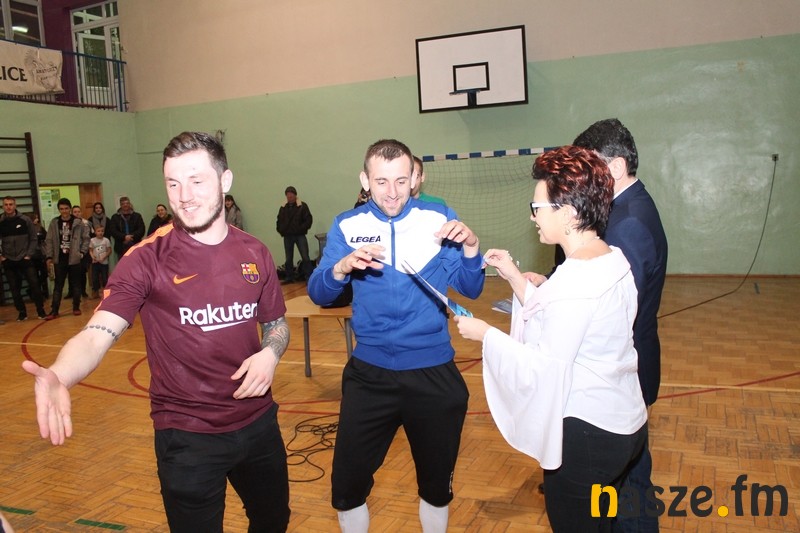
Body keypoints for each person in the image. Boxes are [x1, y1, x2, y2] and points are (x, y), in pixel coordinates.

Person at [22, 131, 291, 532]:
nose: (184, 196)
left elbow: (276, 324)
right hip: (187, 434)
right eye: (173, 183)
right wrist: (60, 374)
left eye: (196, 180)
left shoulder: (255, 252)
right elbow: (97, 334)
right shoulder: (146, 259)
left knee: (274, 522)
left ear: (225, 180)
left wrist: (270, 353)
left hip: (258, 423)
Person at [454, 145, 647, 532]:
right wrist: (515, 278)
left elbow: (544, 367)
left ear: (570, 213)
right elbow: (566, 324)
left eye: (537, 207)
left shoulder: (576, 280)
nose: (532, 216)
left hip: (589, 435)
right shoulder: (611, 258)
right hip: (625, 425)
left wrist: (486, 335)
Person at [308, 139, 484, 532]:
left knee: (436, 489)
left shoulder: (438, 217)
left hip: (432, 371)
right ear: (365, 180)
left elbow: (470, 289)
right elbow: (319, 293)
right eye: (382, 182)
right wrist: (340, 268)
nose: (392, 192)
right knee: (347, 489)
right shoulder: (347, 225)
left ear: (414, 178)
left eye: (401, 181)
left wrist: (472, 248)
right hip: (369, 375)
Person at [573, 118, 668, 531]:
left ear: (614, 168)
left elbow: (616, 310)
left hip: (623, 369)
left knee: (629, 484)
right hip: (629, 363)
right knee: (627, 477)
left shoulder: (628, 223)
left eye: (590, 168)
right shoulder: (628, 207)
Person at [0, 196, 47, 320]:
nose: (8, 207)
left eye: (11, 204)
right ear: (3, 206)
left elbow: (33, 238)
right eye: (6, 204)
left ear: (15, 205)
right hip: (9, 260)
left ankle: (41, 310)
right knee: (14, 289)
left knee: (35, 285)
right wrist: (1, 255)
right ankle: (22, 312)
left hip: (25, 259)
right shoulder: (1, 221)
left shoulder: (25, 220)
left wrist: (29, 254)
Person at [43, 198, 89, 319]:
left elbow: (86, 238)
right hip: (59, 259)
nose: (64, 211)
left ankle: (76, 307)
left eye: (66, 208)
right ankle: (54, 310)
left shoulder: (78, 223)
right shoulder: (54, 222)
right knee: (58, 285)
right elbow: (49, 240)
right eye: (61, 209)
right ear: (59, 210)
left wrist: (82, 252)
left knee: (76, 284)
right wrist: (49, 256)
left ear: (70, 209)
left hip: (74, 259)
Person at [276, 186, 313, 283]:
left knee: (305, 257)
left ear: (295, 195)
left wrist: (301, 229)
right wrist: (281, 230)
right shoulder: (283, 208)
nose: (289, 197)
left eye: (291, 195)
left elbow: (308, 219)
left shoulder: (303, 206)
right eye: (288, 195)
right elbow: (279, 220)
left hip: (300, 235)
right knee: (288, 258)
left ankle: (309, 277)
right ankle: (289, 277)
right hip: (287, 236)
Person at [108, 196, 145, 260]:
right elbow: (113, 231)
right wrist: (124, 237)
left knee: (136, 264)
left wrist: (131, 237)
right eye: (123, 204)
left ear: (129, 204)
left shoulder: (137, 216)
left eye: (127, 203)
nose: (125, 205)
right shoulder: (115, 217)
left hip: (135, 245)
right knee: (123, 265)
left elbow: (141, 229)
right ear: (120, 205)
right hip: (121, 247)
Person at [25, 211, 49, 299]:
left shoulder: (40, 228)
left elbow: (46, 236)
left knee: (44, 273)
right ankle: (36, 293)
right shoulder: (26, 229)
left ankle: (33, 290)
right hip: (31, 255)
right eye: (35, 218)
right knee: (33, 276)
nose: (37, 220)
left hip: (40, 253)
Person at [71, 205, 92, 298]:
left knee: (82, 272)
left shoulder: (86, 223)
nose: (77, 213)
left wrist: (83, 250)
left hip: (83, 251)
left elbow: (88, 237)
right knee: (72, 272)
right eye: (75, 212)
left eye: (78, 211)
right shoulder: (70, 223)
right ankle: (71, 291)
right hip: (72, 251)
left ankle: (83, 291)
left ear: (81, 212)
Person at [88, 224, 111, 299]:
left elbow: (109, 250)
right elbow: (90, 250)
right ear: (95, 232)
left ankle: (106, 293)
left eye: (102, 231)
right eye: (98, 231)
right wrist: (92, 256)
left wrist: (104, 257)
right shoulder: (92, 240)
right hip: (95, 263)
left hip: (104, 263)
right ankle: (95, 292)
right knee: (95, 278)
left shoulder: (106, 240)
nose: (100, 232)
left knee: (104, 278)